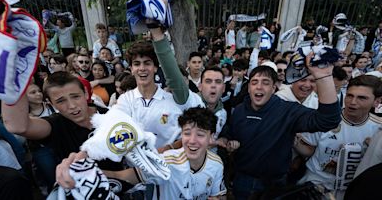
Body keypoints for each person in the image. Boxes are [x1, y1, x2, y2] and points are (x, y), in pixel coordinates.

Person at [218, 58, 341, 199]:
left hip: (276, 183)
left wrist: (324, 77)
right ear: (249, 87)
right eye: (254, 82)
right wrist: (227, 140)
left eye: (266, 83)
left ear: (274, 88)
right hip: (244, 181)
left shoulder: (288, 111)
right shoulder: (240, 110)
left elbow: (329, 120)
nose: (259, 87)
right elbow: (231, 132)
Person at [1, 72, 132, 194]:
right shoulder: (55, 125)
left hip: (128, 187)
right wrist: (12, 79)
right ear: (50, 103)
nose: (71, 105)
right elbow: (18, 126)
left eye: (75, 96)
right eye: (61, 101)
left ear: (86, 93)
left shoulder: (110, 115)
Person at [57, 107, 227, 199]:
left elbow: (218, 194)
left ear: (211, 137)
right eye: (187, 133)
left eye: (200, 134)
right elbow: (125, 176)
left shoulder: (216, 163)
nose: (192, 140)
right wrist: (84, 173)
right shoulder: (166, 162)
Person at [296, 75, 382, 199]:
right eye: (350, 95)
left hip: (352, 190)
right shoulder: (325, 119)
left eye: (361, 98)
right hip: (315, 184)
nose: (353, 102)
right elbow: (308, 151)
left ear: (377, 101)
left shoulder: (379, 130)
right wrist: (294, 141)